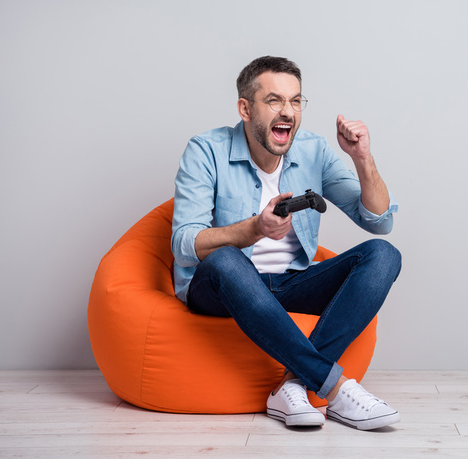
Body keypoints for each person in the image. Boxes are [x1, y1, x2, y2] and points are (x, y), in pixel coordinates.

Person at [171, 56, 402, 430]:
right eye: (275, 100)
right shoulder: (205, 150)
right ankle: (336, 387)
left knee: (383, 255)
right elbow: (183, 243)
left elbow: (379, 221)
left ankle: (291, 386)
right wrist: (254, 229)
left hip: (290, 282)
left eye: (296, 101)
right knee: (228, 261)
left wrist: (362, 159)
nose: (288, 112)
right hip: (221, 287)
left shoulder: (314, 149)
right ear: (245, 108)